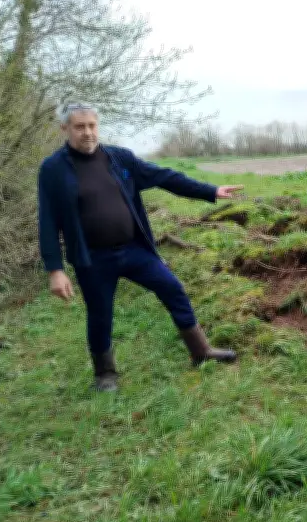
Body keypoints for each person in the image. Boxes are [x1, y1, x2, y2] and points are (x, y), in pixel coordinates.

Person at [37, 103, 244, 392]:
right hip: (93, 258)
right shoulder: (53, 169)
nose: (87, 132)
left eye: (92, 125)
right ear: (65, 128)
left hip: (134, 250)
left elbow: (164, 177)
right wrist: (55, 270)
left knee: (172, 288)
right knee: (100, 313)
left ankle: (201, 351)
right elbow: (47, 221)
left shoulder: (119, 158)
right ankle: (105, 374)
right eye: (79, 127)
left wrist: (209, 191)